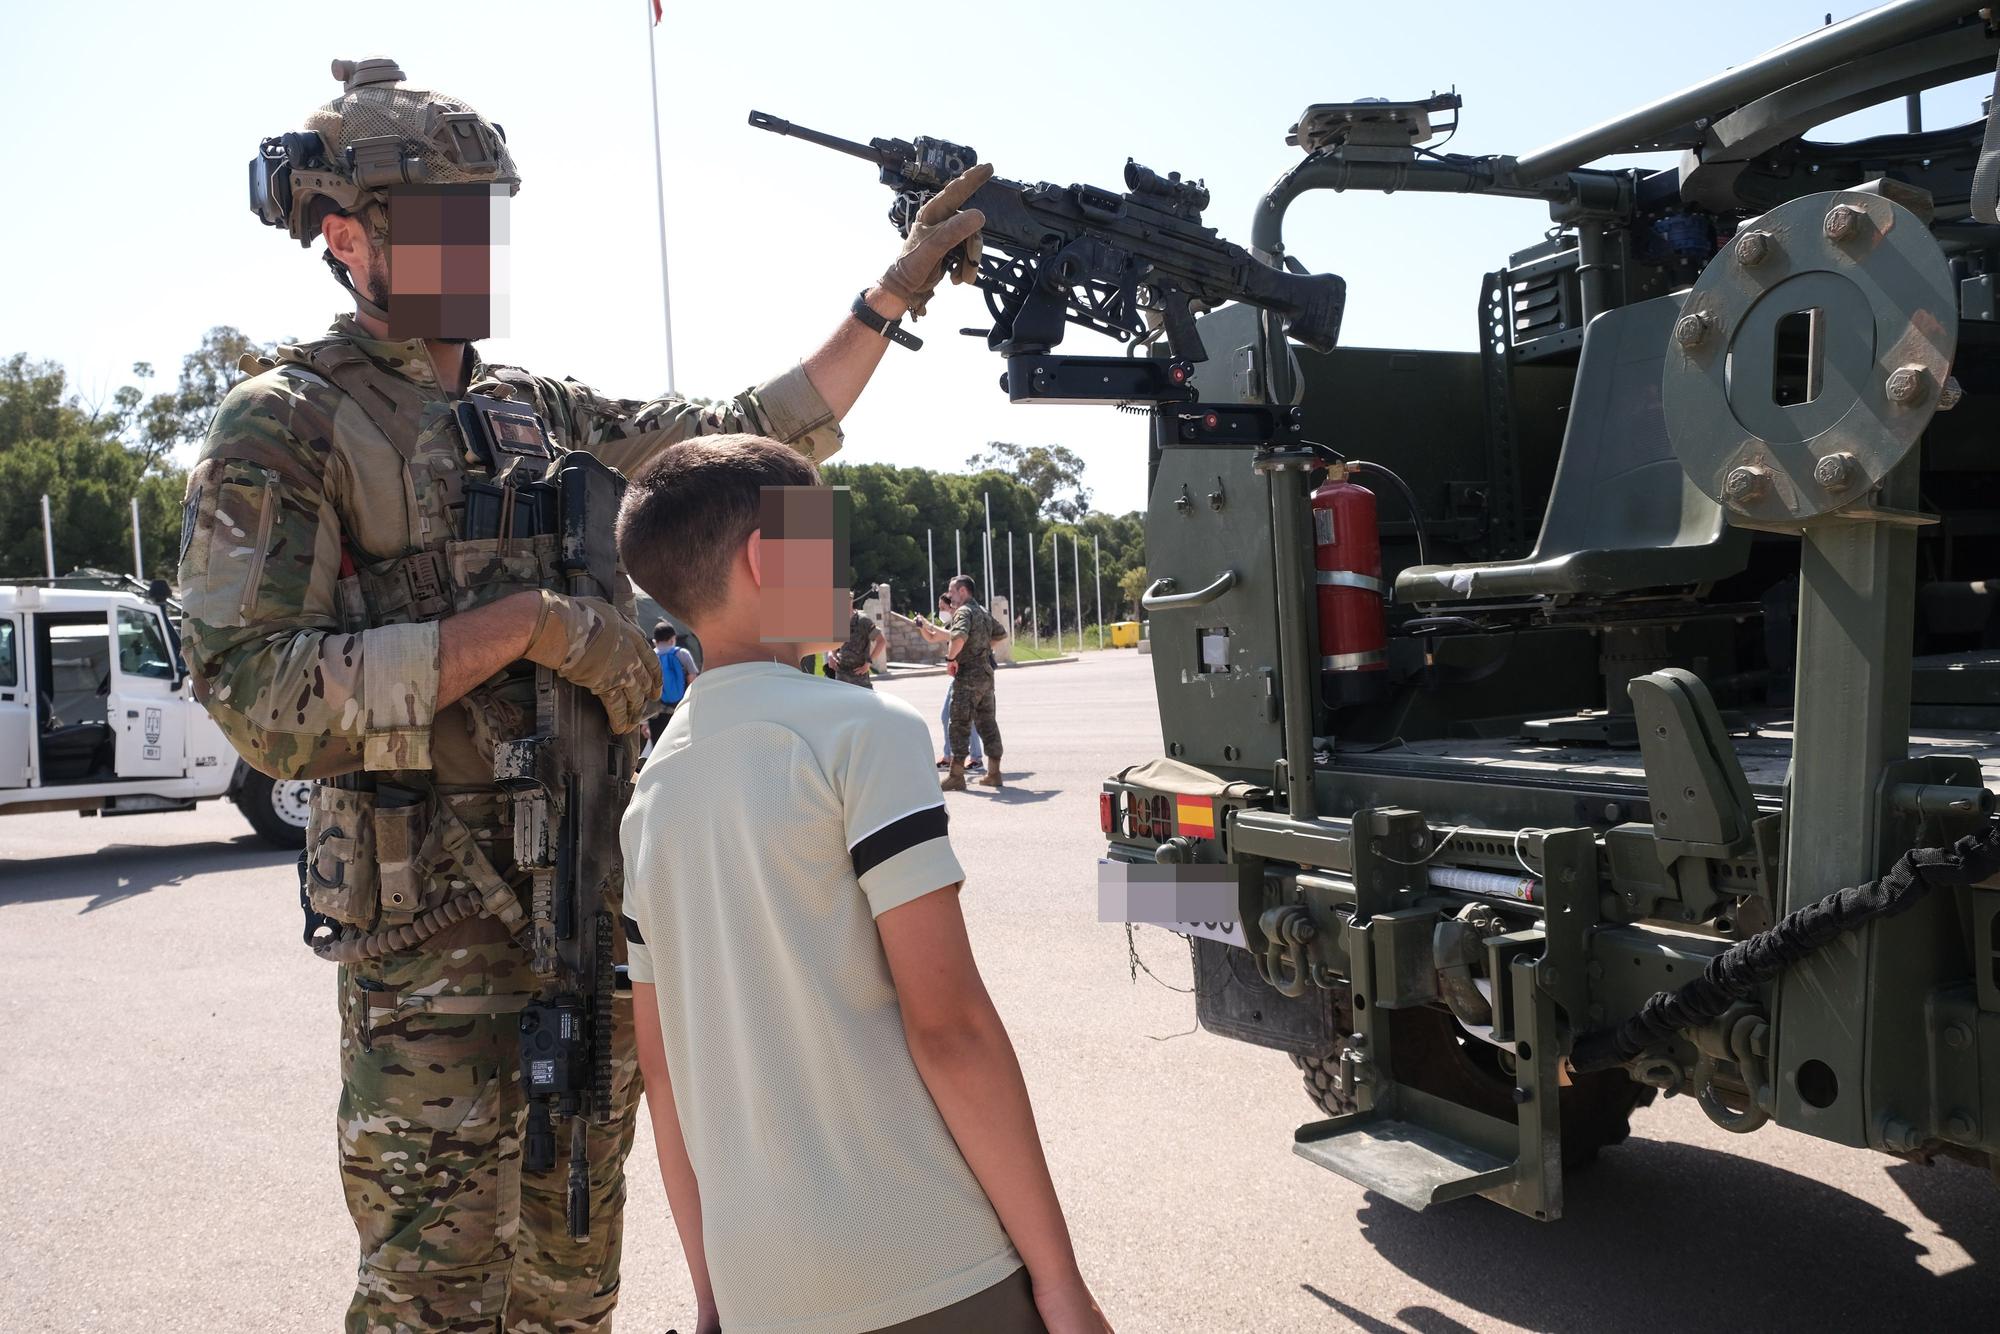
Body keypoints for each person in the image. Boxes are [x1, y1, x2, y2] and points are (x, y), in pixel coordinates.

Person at [176, 57, 991, 1333]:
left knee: (572, 1279)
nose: (475, 246)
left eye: (483, 216)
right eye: (442, 220)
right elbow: (253, 692)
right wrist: (533, 626)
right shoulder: (286, 425)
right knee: (432, 1298)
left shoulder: (531, 412)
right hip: (429, 957)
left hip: (581, 919)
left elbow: (749, 434)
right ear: (345, 235)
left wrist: (890, 294)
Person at [613, 434, 1110, 1334]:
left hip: (761, 1283)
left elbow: (663, 1074)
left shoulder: (649, 796)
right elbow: (949, 1027)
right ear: (768, 557)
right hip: (925, 1259)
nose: (843, 564)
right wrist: (1061, 1280)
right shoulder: (861, 730)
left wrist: (713, 1293)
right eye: (826, 539)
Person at [919, 575, 1005, 791]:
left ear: (963, 591)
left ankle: (956, 775)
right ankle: (994, 772)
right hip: (986, 675)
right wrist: (981, 649)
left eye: (952, 591)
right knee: (987, 723)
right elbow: (1000, 634)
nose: (950, 596)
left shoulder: (964, 612)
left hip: (968, 676)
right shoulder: (983, 612)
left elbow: (957, 638)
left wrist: (951, 659)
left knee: (958, 723)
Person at [923, 592, 983, 772]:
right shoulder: (953, 623)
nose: (941, 611)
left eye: (943, 608)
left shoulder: (962, 621)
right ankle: (949, 756)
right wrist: (922, 627)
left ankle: (976, 759)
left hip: (970, 675)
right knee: (947, 716)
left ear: (952, 607)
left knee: (967, 718)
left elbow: (952, 636)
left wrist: (950, 660)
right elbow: (933, 637)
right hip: (960, 676)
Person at [653, 622, 698, 743]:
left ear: (655, 641)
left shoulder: (651, 656)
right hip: (680, 709)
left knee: (659, 746)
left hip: (657, 712)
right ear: (672, 639)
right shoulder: (682, 653)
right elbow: (692, 679)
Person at [827, 605, 886, 689]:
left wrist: (868, 663)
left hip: (859, 678)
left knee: (864, 701)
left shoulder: (863, 620)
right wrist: (831, 654)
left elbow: (881, 641)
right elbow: (833, 643)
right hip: (841, 677)